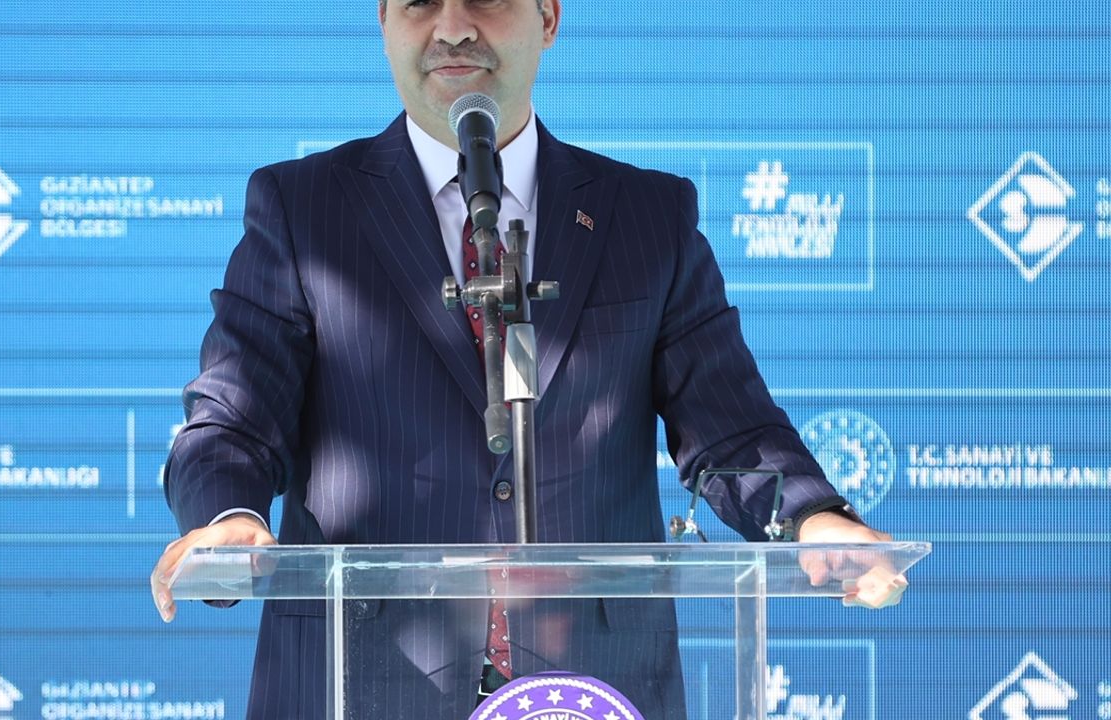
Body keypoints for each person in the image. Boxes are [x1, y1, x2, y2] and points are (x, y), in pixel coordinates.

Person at [151, 1, 907, 717]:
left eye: (485, 0)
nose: (452, 28)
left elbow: (729, 429)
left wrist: (812, 516)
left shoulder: (648, 215)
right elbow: (234, 419)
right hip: (358, 685)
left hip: (595, 691)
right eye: (418, 4)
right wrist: (228, 515)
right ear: (383, 21)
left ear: (547, 17)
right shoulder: (303, 207)